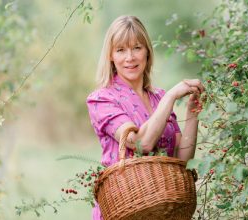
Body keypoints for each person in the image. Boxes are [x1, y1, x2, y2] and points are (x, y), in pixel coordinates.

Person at [86, 15, 205, 219]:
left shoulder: (158, 96)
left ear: (147, 52)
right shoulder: (102, 100)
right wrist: (171, 97)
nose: (130, 57)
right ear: (111, 56)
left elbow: (183, 158)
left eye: (137, 48)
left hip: (162, 209)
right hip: (123, 211)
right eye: (121, 50)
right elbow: (142, 143)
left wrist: (192, 114)